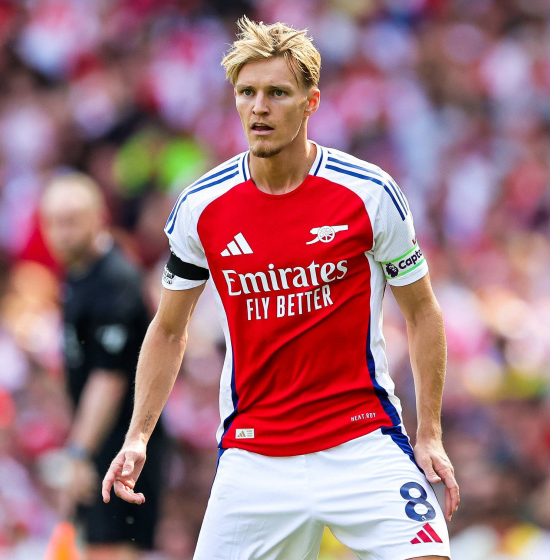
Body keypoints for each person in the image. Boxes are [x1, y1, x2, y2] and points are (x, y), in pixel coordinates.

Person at [102, 17, 459, 560]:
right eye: (246, 92)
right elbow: (169, 329)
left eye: (277, 93)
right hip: (255, 458)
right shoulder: (202, 207)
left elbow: (424, 312)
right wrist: (137, 436)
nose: (259, 108)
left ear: (311, 102)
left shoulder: (369, 193)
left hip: (362, 440)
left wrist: (429, 431)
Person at [40, 173, 165, 560]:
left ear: (99, 218)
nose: (61, 234)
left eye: (71, 221)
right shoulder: (77, 275)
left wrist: (79, 453)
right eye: (53, 223)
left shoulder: (115, 279)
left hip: (123, 446)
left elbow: (109, 379)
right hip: (99, 440)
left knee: (112, 550)